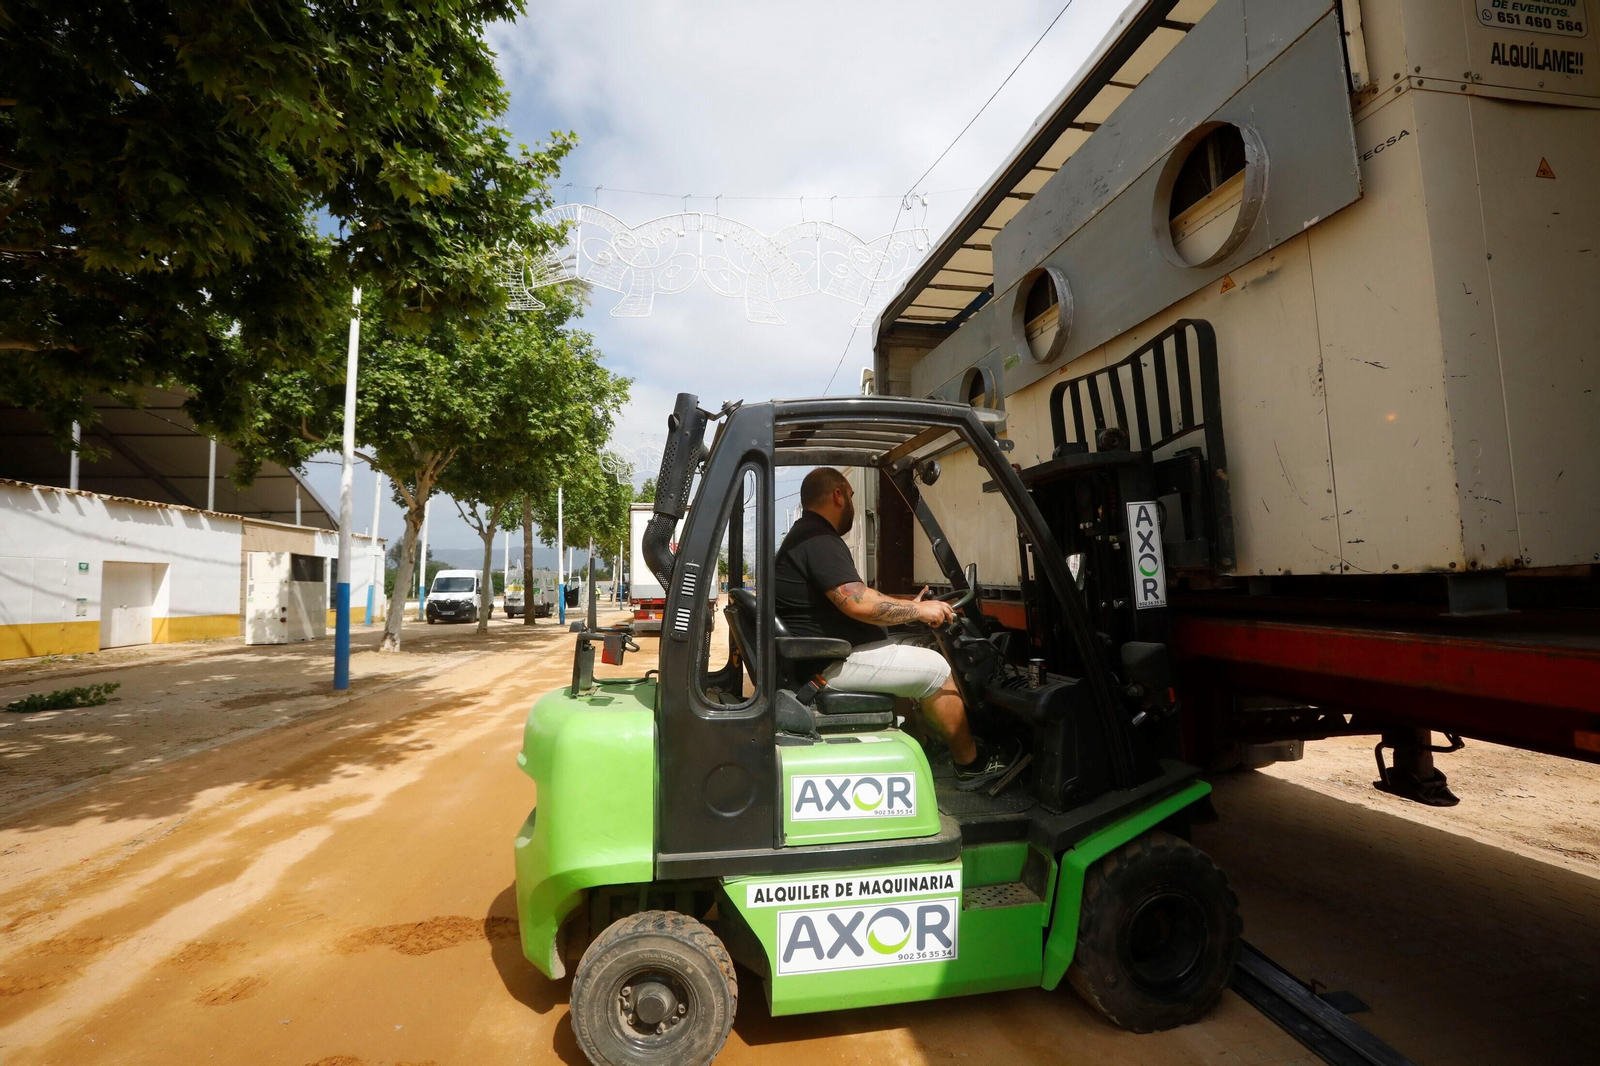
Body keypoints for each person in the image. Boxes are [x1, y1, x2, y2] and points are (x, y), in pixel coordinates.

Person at [774, 467, 1022, 791]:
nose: (851, 502)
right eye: (850, 496)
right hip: (826, 663)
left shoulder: (806, 535)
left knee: (913, 651)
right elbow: (857, 603)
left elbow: (858, 594)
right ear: (837, 494)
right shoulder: (819, 539)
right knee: (937, 668)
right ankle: (971, 763)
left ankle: (928, 745)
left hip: (821, 655)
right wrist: (919, 609)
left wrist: (909, 605)